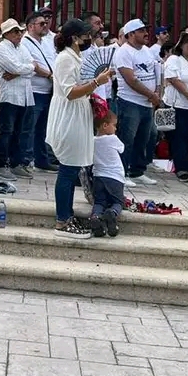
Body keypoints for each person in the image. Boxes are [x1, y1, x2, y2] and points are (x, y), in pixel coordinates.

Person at [47, 19, 110, 239]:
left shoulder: (75, 57)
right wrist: (96, 83)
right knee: (67, 170)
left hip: (77, 114)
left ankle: (67, 215)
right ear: (75, 37)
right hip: (68, 116)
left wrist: (94, 85)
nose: (89, 39)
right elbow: (70, 92)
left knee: (71, 169)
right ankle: (62, 220)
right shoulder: (65, 58)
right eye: (86, 35)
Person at [114, 18, 160, 186]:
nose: (146, 33)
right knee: (126, 138)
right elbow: (131, 79)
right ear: (131, 34)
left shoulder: (147, 51)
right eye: (141, 31)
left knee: (143, 138)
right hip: (130, 102)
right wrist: (151, 95)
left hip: (147, 103)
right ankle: (121, 172)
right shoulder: (124, 52)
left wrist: (157, 92)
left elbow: (156, 72)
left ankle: (137, 171)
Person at [0, 18, 35, 180]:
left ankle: (16, 163)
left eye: (20, 31)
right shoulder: (1, 49)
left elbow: (32, 67)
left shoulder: (22, 48)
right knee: (6, 131)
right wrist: (23, 70)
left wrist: (19, 71)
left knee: (20, 131)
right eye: (16, 31)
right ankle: (2, 165)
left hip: (24, 95)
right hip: (9, 96)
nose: (19, 34)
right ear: (7, 34)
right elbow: (17, 67)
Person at [162, 29, 188, 182]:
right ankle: (182, 169)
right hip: (179, 106)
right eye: (187, 41)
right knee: (180, 138)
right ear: (181, 45)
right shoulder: (174, 59)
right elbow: (173, 79)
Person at [22, 12, 58, 172]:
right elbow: (33, 65)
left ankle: (41, 159)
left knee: (43, 128)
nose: (45, 25)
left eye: (46, 23)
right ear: (31, 26)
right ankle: (26, 158)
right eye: (41, 23)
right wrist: (50, 75)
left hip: (48, 90)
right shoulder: (25, 42)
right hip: (34, 89)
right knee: (30, 126)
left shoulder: (47, 41)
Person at [90, 105, 124, 238]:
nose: (115, 128)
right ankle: (113, 213)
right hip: (115, 177)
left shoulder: (92, 140)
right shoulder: (113, 139)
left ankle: (96, 216)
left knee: (99, 202)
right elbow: (122, 149)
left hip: (98, 176)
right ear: (105, 125)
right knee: (118, 202)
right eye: (114, 125)